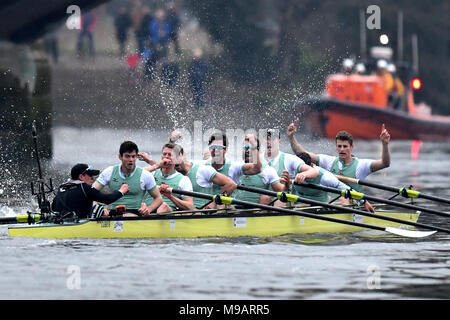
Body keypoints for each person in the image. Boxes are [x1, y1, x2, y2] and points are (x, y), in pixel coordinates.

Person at [287, 120, 391, 212]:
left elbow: (385, 163)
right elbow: (303, 155)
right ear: (336, 148)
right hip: (329, 204)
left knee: (342, 198)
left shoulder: (361, 165)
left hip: (351, 203)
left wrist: (385, 145)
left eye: (345, 146)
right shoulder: (329, 161)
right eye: (339, 146)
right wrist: (291, 137)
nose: (342, 149)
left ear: (351, 147)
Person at [155, 143, 237, 209]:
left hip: (204, 213)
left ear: (182, 155)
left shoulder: (202, 170)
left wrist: (213, 203)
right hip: (183, 211)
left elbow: (231, 184)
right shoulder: (172, 173)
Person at [93, 141, 163, 216]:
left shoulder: (145, 175)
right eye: (127, 156)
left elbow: (158, 198)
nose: (131, 160)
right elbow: (91, 193)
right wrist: (99, 208)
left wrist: (148, 209)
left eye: (133, 156)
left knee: (127, 216)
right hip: (114, 212)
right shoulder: (109, 172)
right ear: (120, 157)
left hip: (135, 213)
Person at [52, 164, 129, 219]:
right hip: (79, 225)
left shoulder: (61, 188)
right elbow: (107, 199)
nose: (92, 178)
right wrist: (121, 191)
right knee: (101, 210)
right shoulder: (84, 187)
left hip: (61, 223)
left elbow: (54, 207)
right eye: (90, 175)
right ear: (81, 177)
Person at [139, 143, 194, 213]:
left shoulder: (183, 180)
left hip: (169, 213)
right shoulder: (151, 174)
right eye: (164, 154)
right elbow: (136, 174)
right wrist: (158, 165)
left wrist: (170, 196)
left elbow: (190, 207)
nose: (166, 157)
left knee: (163, 206)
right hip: (147, 210)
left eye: (170, 155)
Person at [235, 137, 289, 205]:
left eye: (252, 148)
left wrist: (287, 185)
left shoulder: (268, 170)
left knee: (265, 198)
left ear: (258, 151)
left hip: (258, 210)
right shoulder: (234, 167)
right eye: (245, 147)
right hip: (236, 209)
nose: (248, 150)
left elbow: (280, 190)